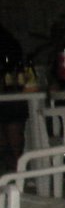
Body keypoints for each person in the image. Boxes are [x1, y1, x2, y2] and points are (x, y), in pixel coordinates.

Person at [0, 22, 28, 169]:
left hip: (10, 98)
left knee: (13, 117)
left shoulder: (6, 41)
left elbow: (16, 70)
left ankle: (17, 166)